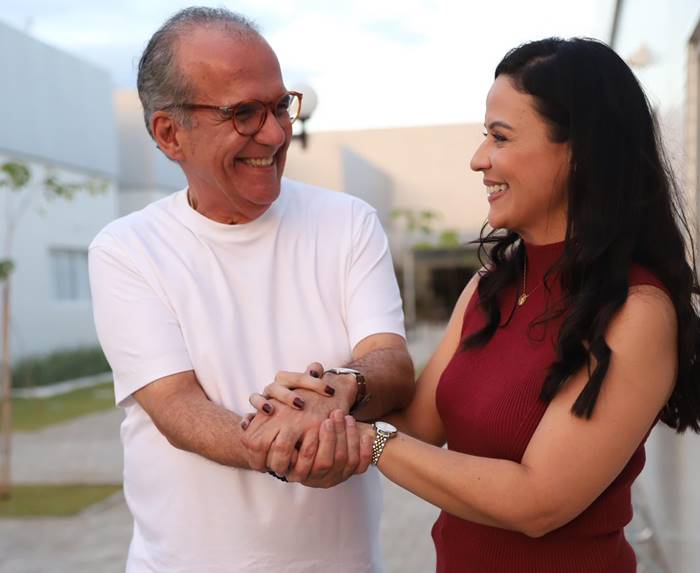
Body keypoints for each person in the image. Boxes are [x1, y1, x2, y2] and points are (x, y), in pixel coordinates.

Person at [252, 37, 700, 572]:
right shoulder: (489, 287)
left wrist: (371, 442)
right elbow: (418, 424)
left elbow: (538, 502)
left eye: (500, 137)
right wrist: (331, 397)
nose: (478, 158)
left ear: (579, 151)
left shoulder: (637, 310)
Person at [88, 6, 414, 573]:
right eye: (243, 113)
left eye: (281, 105)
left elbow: (390, 362)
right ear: (169, 134)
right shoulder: (127, 249)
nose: (275, 133)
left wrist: (345, 387)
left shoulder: (348, 222)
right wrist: (298, 445)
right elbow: (176, 406)